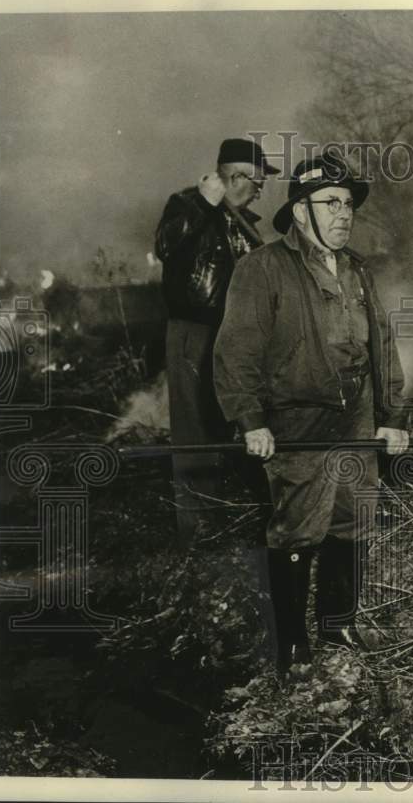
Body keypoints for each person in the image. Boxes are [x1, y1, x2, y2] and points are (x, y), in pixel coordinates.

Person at [213, 152, 409, 672]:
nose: (344, 214)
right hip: (297, 417)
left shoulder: (360, 271)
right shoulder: (263, 269)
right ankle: (294, 643)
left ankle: (338, 625)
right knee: (299, 528)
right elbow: (237, 351)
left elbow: (383, 347)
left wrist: (392, 417)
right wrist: (250, 420)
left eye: (349, 204)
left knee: (352, 520)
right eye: (331, 203)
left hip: (356, 415)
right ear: (301, 211)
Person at [154, 138, 279, 545]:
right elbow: (166, 246)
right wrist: (204, 205)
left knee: (241, 418)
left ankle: (237, 516)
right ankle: (198, 531)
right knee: (196, 430)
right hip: (196, 330)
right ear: (235, 176)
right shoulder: (188, 204)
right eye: (256, 182)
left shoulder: (246, 226)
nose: (260, 190)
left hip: (236, 334)